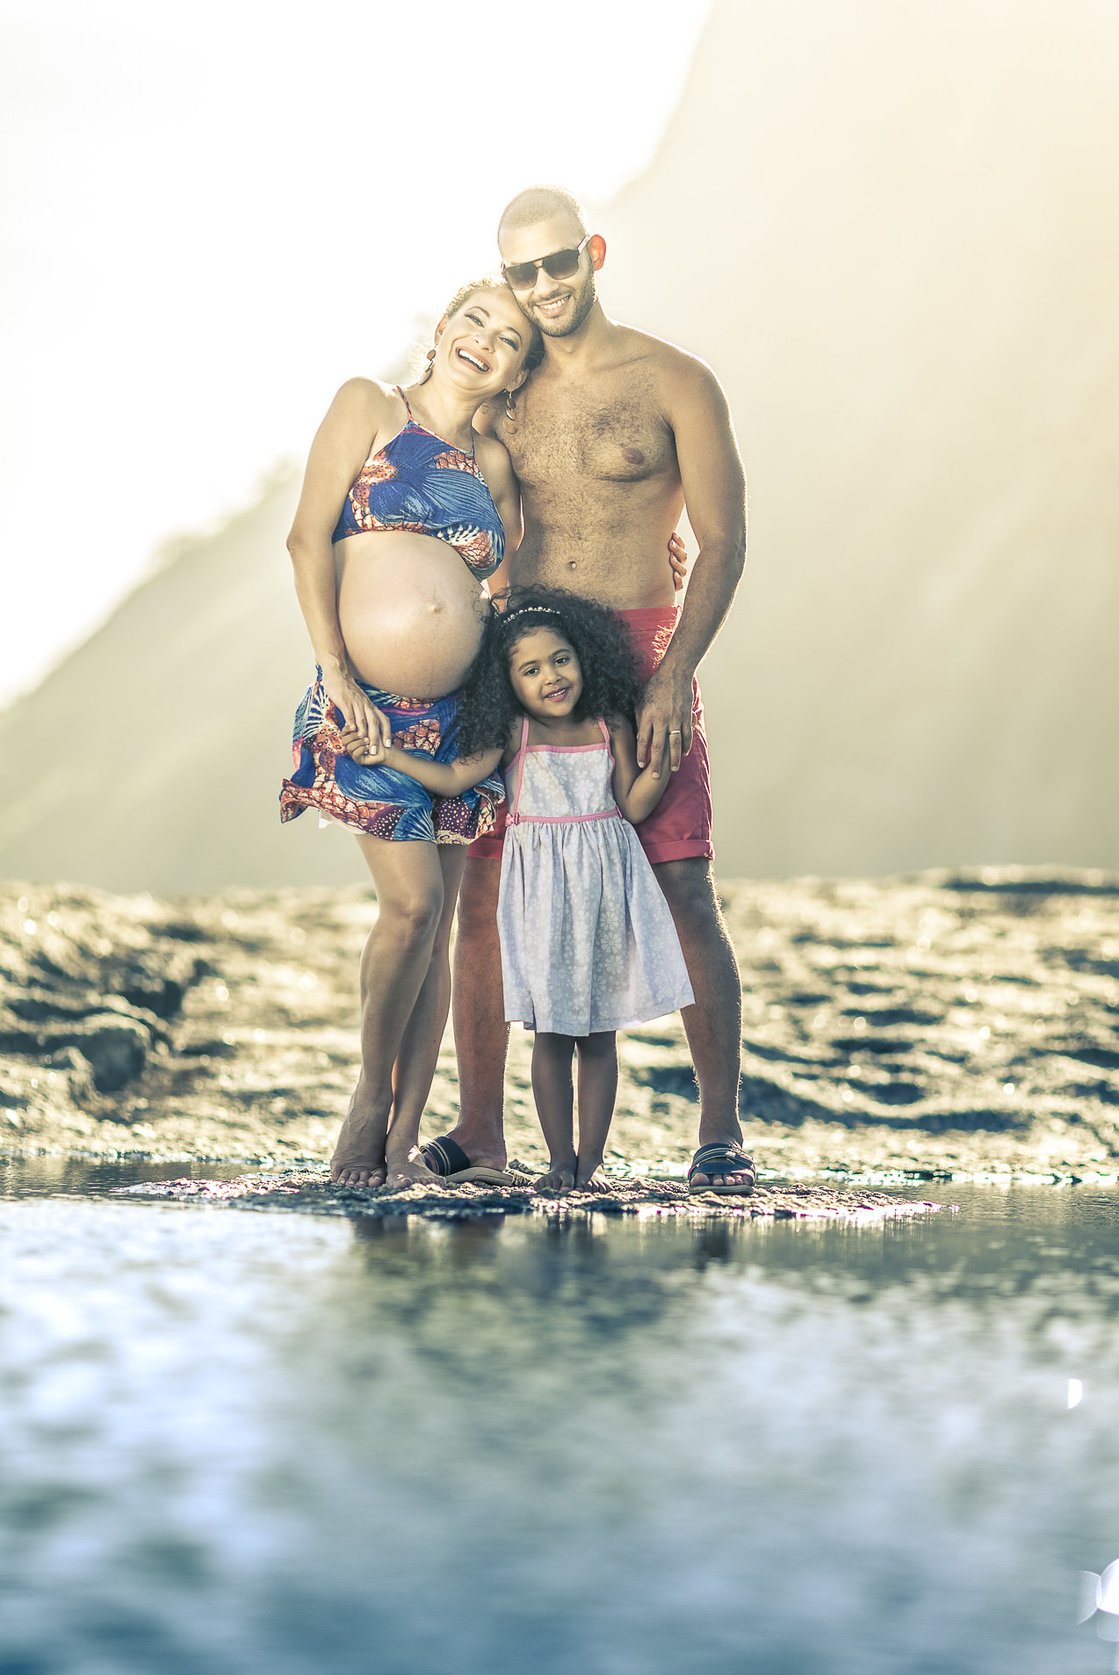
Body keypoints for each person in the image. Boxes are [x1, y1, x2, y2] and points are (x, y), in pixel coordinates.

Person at [428, 185, 754, 1194]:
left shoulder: (676, 381)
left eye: (557, 262)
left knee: (681, 877)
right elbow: (445, 490)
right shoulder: (504, 395)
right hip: (524, 655)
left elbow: (722, 542)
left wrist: (673, 675)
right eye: (520, 271)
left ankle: (720, 1134)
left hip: (642, 649)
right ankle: (481, 1130)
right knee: (484, 891)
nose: (542, 286)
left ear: (593, 253)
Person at [279, 277, 542, 1190]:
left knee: (437, 934)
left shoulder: (493, 465)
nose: (485, 342)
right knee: (413, 909)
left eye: (509, 339)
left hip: (460, 717)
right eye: (475, 320)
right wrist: (334, 671)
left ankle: (400, 1146)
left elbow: (503, 590)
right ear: (442, 326)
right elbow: (306, 541)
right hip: (366, 712)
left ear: (516, 371)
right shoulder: (370, 407)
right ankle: (366, 1102)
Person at [341, 589, 693, 1191]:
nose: (551, 677)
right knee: (552, 1035)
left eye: (561, 659)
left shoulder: (609, 724)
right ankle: (559, 1161)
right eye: (530, 670)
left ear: (584, 658)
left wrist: (660, 764)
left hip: (604, 894)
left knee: (600, 1037)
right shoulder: (514, 733)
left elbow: (633, 806)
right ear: (509, 684)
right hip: (543, 901)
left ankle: (590, 1164)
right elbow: (453, 776)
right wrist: (390, 758)